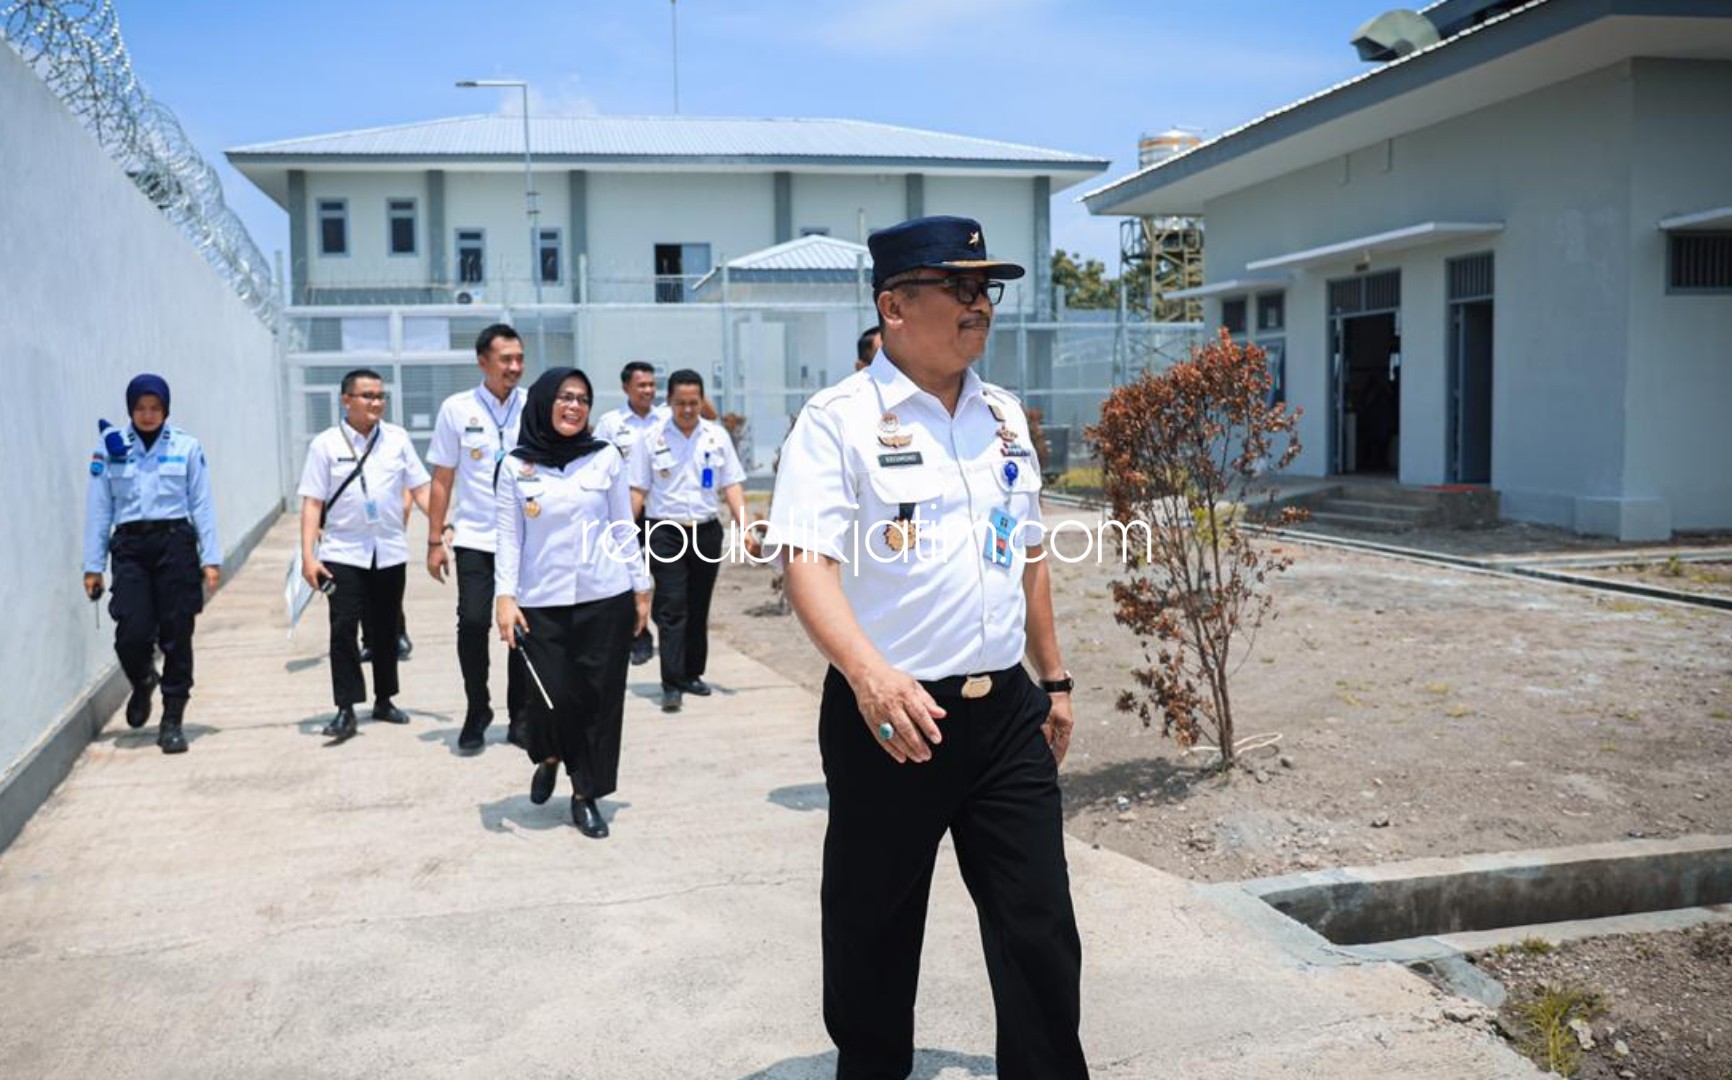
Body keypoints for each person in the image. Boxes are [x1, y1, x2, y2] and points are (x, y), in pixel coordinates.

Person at [764, 215, 1086, 1079]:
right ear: (895, 307)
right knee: (875, 929)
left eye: (988, 290)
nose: (982, 305)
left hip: (1005, 715)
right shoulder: (838, 421)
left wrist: (1052, 679)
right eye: (963, 288)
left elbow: (1028, 553)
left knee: (1040, 924)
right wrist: (869, 678)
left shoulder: (1004, 415)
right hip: (893, 717)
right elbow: (808, 565)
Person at [494, 368, 651, 838]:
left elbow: (624, 525)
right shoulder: (514, 465)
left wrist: (640, 588)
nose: (574, 406)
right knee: (548, 698)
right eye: (564, 397)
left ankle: (586, 794)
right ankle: (548, 753)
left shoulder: (604, 458)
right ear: (544, 402)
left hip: (605, 597)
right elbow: (508, 538)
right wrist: (506, 597)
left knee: (600, 702)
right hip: (540, 602)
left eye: (583, 399)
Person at [82, 374, 221, 754]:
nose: (148, 415)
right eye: (141, 408)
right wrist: (92, 566)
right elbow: (99, 507)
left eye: (155, 408)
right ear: (130, 409)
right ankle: (143, 680)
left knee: (177, 632)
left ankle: (172, 719)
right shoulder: (110, 448)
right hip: (129, 547)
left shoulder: (186, 446)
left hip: (175, 544)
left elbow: (202, 504)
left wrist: (211, 558)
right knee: (132, 631)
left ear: (166, 409)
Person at [298, 369, 431, 742]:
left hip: (389, 550)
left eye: (380, 396)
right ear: (346, 400)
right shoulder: (325, 445)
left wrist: (441, 528)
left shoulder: (398, 440)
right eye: (367, 396)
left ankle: (385, 699)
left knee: (386, 629)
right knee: (343, 629)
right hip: (343, 551)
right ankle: (346, 708)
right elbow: (312, 503)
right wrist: (310, 557)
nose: (376, 403)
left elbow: (420, 488)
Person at [425, 323, 530, 751]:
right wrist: (434, 540)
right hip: (475, 535)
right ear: (482, 362)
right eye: (506, 359)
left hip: (525, 538)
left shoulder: (535, 404)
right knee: (472, 622)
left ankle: (521, 716)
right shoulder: (457, 408)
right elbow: (442, 477)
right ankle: (477, 707)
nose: (515, 367)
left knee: (524, 628)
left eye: (520, 358)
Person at [629, 370, 745, 715]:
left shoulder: (716, 436)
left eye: (694, 403)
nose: (688, 409)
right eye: (681, 403)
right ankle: (671, 683)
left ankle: (693, 673)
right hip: (665, 531)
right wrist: (622, 532)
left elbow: (732, 485)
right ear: (669, 401)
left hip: (706, 530)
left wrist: (745, 526)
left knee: (698, 605)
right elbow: (638, 490)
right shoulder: (651, 438)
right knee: (671, 605)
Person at [593, 360, 667, 666]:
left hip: (661, 511)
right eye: (641, 385)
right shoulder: (612, 423)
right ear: (626, 388)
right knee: (629, 574)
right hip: (623, 511)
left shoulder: (666, 417)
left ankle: (665, 628)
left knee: (663, 575)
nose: (648, 390)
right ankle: (639, 636)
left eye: (652, 385)